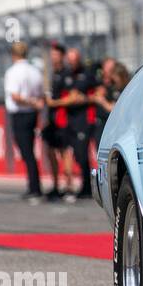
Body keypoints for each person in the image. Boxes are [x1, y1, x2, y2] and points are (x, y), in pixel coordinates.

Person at [4, 42, 44, 201]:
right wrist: (34, 104)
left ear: (13, 55)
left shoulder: (13, 72)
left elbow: (15, 96)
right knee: (29, 151)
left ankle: (35, 187)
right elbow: (40, 93)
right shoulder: (35, 71)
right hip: (32, 114)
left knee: (27, 152)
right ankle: (33, 186)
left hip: (20, 114)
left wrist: (30, 102)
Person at [60, 48, 96, 201]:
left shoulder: (87, 74)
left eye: (74, 59)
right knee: (73, 154)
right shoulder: (65, 75)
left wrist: (84, 98)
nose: (72, 62)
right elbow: (62, 94)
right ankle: (76, 186)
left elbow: (97, 92)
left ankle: (87, 187)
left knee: (82, 154)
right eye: (70, 60)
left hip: (84, 120)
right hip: (70, 121)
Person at [40, 42, 72, 201]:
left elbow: (70, 97)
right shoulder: (51, 74)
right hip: (51, 118)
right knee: (50, 151)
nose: (53, 57)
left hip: (63, 118)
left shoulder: (67, 73)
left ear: (61, 55)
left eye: (55, 54)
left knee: (64, 151)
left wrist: (55, 102)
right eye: (51, 54)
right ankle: (55, 185)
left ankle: (69, 186)